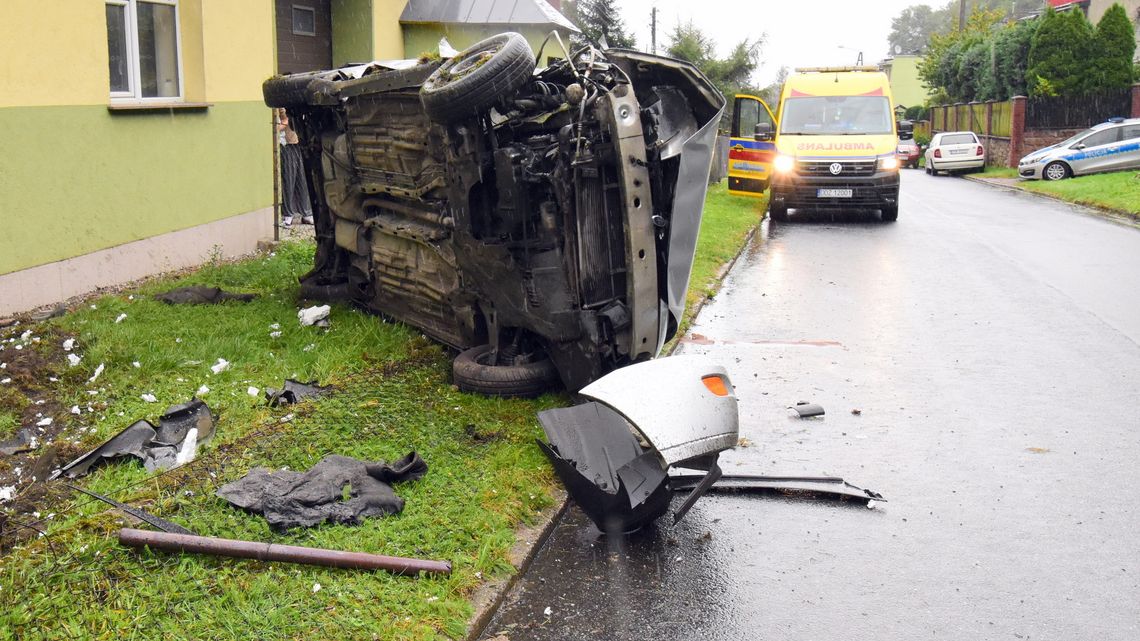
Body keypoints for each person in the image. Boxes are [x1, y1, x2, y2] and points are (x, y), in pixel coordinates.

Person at [276, 108, 313, 227]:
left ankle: (306, 213)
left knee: (300, 179)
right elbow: (284, 119)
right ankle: (288, 215)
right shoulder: (279, 103)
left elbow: (286, 119)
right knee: (289, 179)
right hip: (286, 143)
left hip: (295, 141)